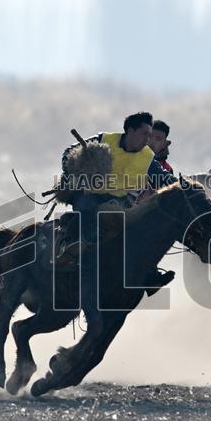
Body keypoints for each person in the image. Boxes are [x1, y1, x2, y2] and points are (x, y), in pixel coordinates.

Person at [61, 112, 175, 323]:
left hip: (120, 205)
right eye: (144, 134)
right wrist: (76, 170)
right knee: (86, 206)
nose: (147, 140)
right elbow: (69, 153)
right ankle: (74, 247)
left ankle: (149, 275)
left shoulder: (148, 159)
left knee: (141, 231)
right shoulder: (104, 140)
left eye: (150, 135)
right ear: (129, 131)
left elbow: (166, 179)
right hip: (91, 196)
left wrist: (182, 187)